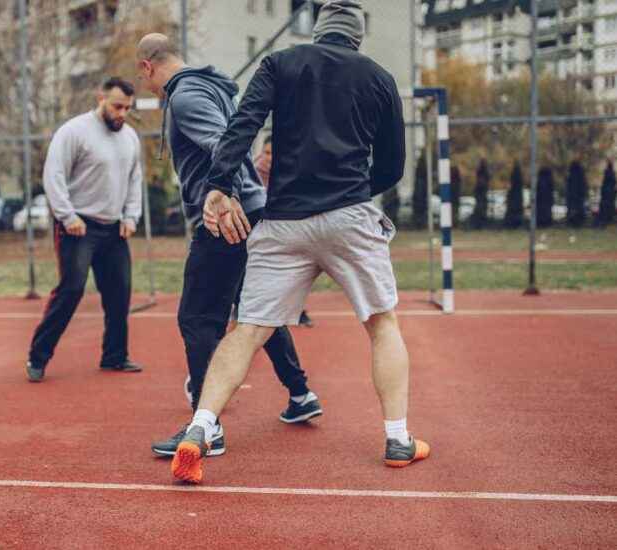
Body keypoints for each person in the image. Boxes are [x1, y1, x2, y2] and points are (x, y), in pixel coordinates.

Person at [170, 0, 429, 484]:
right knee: (381, 323)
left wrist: (219, 186)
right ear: (357, 37)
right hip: (349, 214)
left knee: (247, 330)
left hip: (283, 219)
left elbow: (241, 127)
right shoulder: (378, 78)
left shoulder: (279, 63)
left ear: (317, 31)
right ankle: (398, 438)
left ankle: (200, 430)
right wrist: (350, 192)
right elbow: (393, 166)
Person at [135, 34, 322, 459]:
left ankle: (208, 424)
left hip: (227, 216)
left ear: (147, 67)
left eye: (142, 76)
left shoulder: (185, 98)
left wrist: (228, 196)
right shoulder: (209, 88)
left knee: (198, 317)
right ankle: (301, 394)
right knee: (254, 310)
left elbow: (225, 145)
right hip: (247, 209)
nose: (145, 86)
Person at [26, 77, 144, 381]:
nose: (122, 113)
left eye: (127, 108)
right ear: (101, 98)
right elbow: (54, 176)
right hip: (78, 227)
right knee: (72, 289)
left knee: (119, 293)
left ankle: (115, 357)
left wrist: (131, 217)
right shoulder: (74, 131)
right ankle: (37, 358)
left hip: (114, 228)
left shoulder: (130, 137)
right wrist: (67, 216)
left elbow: (134, 180)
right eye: (117, 106)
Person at [254, 135, 314, 329]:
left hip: (285, 226)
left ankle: (298, 311)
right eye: (267, 152)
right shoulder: (252, 172)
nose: (269, 158)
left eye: (274, 153)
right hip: (258, 228)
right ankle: (242, 309)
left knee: (294, 271)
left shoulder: (291, 171)